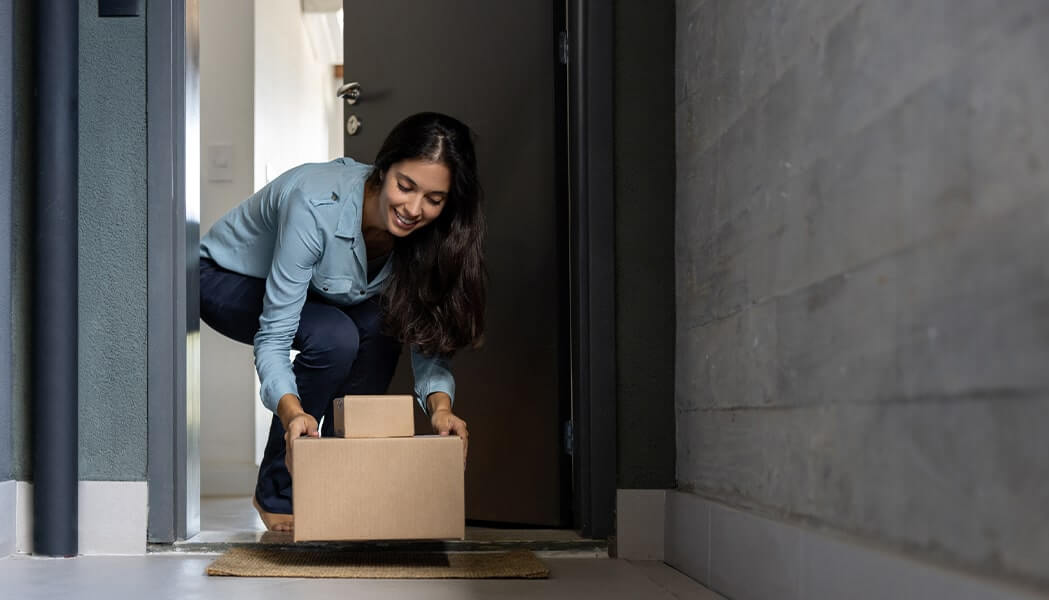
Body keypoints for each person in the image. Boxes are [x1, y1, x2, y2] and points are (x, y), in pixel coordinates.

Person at [198, 112, 485, 532]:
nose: (413, 208)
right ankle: (279, 486)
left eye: (433, 199)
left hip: (315, 294)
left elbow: (427, 333)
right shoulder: (314, 205)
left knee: (386, 325)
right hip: (225, 278)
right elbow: (275, 336)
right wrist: (293, 413)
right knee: (335, 337)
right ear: (383, 169)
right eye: (405, 186)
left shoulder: (430, 235)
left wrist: (441, 409)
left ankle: (336, 477)